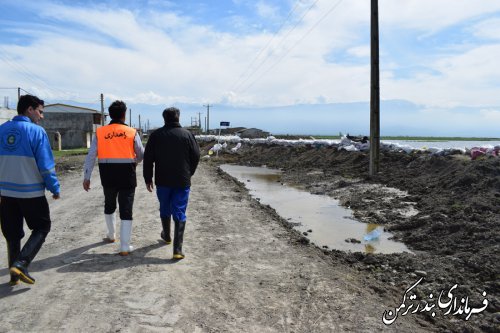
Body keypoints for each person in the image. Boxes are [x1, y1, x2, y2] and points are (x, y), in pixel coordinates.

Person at [0, 94, 60, 285]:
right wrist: (54, 188)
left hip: (6, 193)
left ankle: (13, 275)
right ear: (29, 109)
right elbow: (46, 166)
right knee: (42, 227)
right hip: (30, 192)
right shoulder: (36, 132)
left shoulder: (1, 130)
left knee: (12, 233)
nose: (41, 116)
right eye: (40, 112)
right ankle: (21, 263)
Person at [83, 100, 144, 256]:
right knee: (126, 208)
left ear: (110, 115)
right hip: (127, 175)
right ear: (124, 114)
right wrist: (133, 161)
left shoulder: (100, 132)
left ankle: (111, 235)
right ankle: (124, 246)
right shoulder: (132, 132)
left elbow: (91, 156)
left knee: (109, 204)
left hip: (107, 174)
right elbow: (141, 154)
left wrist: (87, 176)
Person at [143, 107, 200, 260]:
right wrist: (190, 172)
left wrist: (148, 178)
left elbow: (148, 158)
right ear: (178, 117)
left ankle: (167, 236)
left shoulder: (156, 135)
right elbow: (196, 155)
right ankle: (177, 249)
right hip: (182, 180)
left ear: (164, 119)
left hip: (162, 180)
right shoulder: (187, 135)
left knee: (164, 207)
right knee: (179, 211)